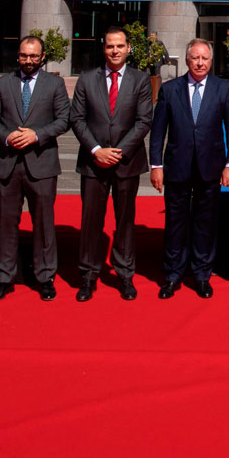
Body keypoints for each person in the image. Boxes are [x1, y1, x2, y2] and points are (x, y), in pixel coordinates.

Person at [150, 38, 229, 298]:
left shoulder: (223, 89)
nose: (200, 62)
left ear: (211, 62)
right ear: (187, 60)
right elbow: (158, 132)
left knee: (205, 223)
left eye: (205, 59)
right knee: (175, 222)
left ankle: (202, 273)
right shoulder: (170, 89)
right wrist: (156, 165)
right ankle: (173, 274)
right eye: (195, 58)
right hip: (176, 166)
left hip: (210, 167)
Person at [70, 27, 153, 302]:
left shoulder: (141, 80)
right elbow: (77, 119)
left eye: (119, 46)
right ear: (103, 49)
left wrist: (117, 151)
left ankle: (125, 274)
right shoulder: (86, 79)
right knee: (90, 221)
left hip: (126, 162)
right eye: (109, 46)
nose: (114, 51)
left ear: (128, 48)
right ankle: (88, 275)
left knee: (125, 222)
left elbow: (144, 121)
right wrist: (96, 150)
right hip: (93, 163)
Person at [0, 35, 70, 302]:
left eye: (34, 56)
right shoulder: (3, 83)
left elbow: (64, 120)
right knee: (6, 224)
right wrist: (7, 136)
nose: (29, 61)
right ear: (18, 56)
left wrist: (37, 135)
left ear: (42, 56)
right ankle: (3, 278)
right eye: (24, 55)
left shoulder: (54, 84)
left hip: (41, 163)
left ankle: (45, 277)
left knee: (44, 225)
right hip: (7, 164)